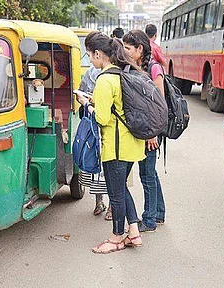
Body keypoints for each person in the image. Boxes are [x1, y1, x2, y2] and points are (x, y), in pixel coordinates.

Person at [75, 31, 145, 253]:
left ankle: (116, 238)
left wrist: (87, 104)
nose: (90, 60)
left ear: (98, 53)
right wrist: (94, 100)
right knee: (121, 188)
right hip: (131, 144)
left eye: (89, 55)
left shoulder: (105, 79)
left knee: (115, 195)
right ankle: (133, 233)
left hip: (115, 147)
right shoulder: (122, 74)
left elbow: (103, 118)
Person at [123, 30, 165, 232]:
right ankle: (159, 213)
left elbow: (159, 105)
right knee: (150, 174)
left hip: (151, 131)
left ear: (140, 48)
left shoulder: (154, 69)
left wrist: (153, 134)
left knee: (146, 175)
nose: (125, 51)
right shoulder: (132, 68)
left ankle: (149, 220)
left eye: (128, 48)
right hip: (140, 129)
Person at [78, 65, 109, 217]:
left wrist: (86, 102)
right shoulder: (91, 72)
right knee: (98, 164)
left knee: (110, 166)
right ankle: (100, 203)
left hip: (108, 126)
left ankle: (111, 206)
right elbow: (80, 92)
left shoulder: (116, 72)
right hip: (96, 125)